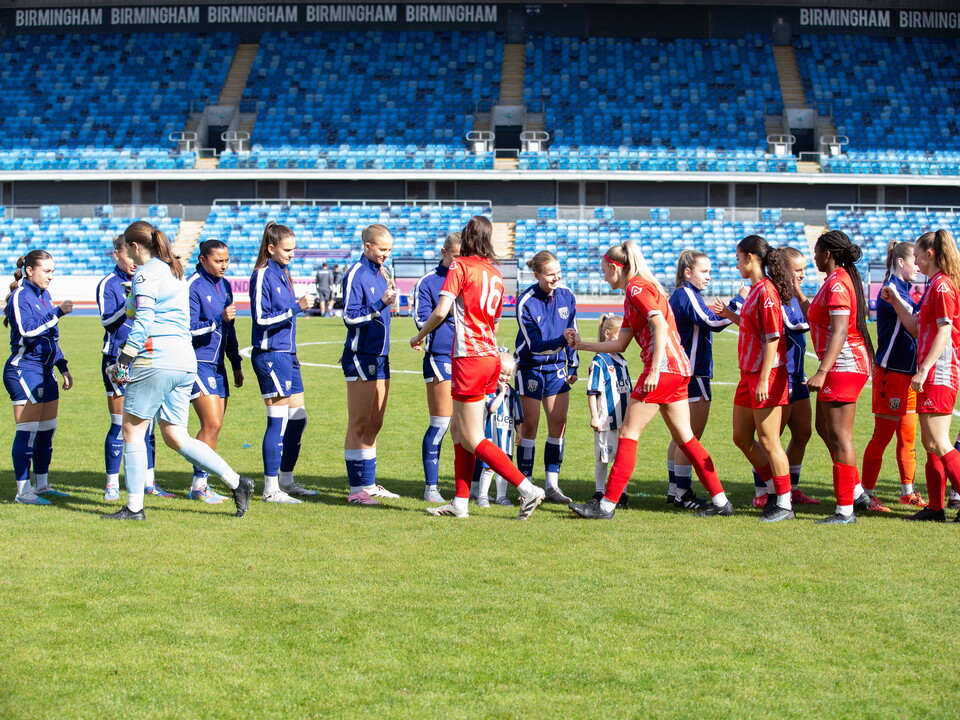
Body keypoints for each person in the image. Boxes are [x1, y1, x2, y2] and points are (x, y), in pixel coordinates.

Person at [566, 240, 732, 519]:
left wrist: (654, 370)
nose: (603, 277)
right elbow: (620, 344)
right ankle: (721, 500)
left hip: (663, 370)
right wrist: (581, 345)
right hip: (679, 370)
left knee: (628, 434)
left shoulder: (636, 287)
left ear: (617, 268)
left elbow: (659, 323)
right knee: (686, 438)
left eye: (604, 270)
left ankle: (606, 506)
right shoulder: (637, 290)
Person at [100, 221, 254, 520]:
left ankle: (134, 507)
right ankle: (237, 482)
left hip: (155, 357)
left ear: (134, 246)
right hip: (184, 360)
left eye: (127, 248)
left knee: (132, 430)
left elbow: (142, 319)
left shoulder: (145, 273)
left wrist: (126, 357)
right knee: (174, 435)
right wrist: (132, 295)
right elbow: (143, 309)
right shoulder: (174, 270)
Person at [410, 215, 546, 520]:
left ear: (467, 238)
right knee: (459, 430)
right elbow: (495, 321)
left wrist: (419, 336)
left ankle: (527, 489)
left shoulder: (460, 266)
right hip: (489, 356)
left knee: (472, 437)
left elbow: (441, 311)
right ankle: (460, 502)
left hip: (468, 359)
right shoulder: (495, 273)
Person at [714, 235, 795, 521]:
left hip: (766, 375)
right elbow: (754, 328)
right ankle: (774, 491)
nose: (737, 265)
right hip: (748, 374)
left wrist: (763, 380)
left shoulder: (767, 292)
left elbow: (773, 338)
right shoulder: (756, 290)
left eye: (738, 259)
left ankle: (784, 504)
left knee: (769, 440)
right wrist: (729, 314)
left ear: (750, 258)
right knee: (741, 437)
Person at [882, 229, 960, 522]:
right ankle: (936, 508)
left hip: (940, 371)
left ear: (930, 254)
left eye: (916, 254)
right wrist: (896, 302)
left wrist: (925, 368)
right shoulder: (934, 284)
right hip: (932, 371)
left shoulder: (942, 286)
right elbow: (916, 327)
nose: (914, 260)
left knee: (939, 443)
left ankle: (940, 505)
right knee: (930, 445)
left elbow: (945, 330)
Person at [802, 229, 874, 525]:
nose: (814, 258)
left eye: (816, 253)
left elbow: (841, 330)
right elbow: (817, 316)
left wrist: (822, 371)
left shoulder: (838, 283)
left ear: (827, 254)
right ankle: (855, 492)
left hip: (844, 365)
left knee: (841, 436)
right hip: (840, 364)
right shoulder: (835, 279)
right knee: (824, 427)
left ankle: (845, 510)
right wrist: (796, 291)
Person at [249, 222, 314, 504]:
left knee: (298, 419)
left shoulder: (284, 273)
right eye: (287, 250)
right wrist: (297, 308)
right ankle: (270, 488)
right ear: (271, 248)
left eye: (294, 249)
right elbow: (261, 320)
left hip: (288, 354)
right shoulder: (262, 274)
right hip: (271, 354)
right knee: (277, 421)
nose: (292, 254)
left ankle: (286, 480)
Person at [3, 250, 73, 504]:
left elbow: (51, 338)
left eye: (52, 271)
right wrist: (57, 313)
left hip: (45, 371)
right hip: (24, 370)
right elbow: (27, 331)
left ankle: (41, 486)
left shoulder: (44, 295)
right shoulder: (20, 295)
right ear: (30, 271)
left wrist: (62, 366)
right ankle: (23, 492)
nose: (50, 276)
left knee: (46, 431)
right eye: (46, 271)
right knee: (28, 432)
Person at [861, 240, 926, 510]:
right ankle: (866, 494)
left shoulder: (904, 290)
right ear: (901, 262)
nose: (918, 267)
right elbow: (916, 323)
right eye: (914, 261)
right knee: (882, 436)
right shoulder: (891, 290)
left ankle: (907, 492)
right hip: (892, 374)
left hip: (908, 375)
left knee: (908, 437)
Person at [96, 236, 161, 502]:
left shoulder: (147, 279)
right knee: (120, 424)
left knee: (148, 424)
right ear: (117, 255)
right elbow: (107, 322)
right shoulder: (109, 284)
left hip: (146, 358)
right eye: (128, 256)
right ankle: (112, 483)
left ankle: (149, 483)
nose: (133, 262)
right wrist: (129, 302)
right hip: (117, 359)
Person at [341, 224, 401, 504]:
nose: (386, 254)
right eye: (382, 249)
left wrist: (387, 302)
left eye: (389, 249)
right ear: (367, 246)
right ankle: (356, 490)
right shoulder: (356, 273)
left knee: (375, 422)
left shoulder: (381, 272)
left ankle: (369, 484)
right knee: (359, 423)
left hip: (381, 356)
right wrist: (380, 304)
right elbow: (350, 317)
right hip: (361, 355)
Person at [667, 249, 731, 509]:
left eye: (709, 272)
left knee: (680, 435)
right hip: (694, 373)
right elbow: (711, 321)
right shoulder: (686, 294)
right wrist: (738, 304)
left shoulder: (684, 294)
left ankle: (675, 490)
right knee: (690, 437)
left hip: (684, 372)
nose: (708, 276)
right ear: (687, 272)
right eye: (704, 271)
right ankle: (682, 494)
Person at [514, 250, 579, 503]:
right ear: (537, 275)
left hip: (557, 369)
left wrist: (573, 364)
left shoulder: (567, 295)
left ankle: (552, 486)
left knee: (558, 423)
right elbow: (535, 346)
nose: (556, 278)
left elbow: (572, 332)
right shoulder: (525, 302)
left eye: (559, 273)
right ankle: (526, 488)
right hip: (531, 367)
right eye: (551, 274)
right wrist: (562, 341)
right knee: (530, 426)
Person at [187, 239, 244, 504]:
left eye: (226, 260)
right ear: (202, 260)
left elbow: (230, 330)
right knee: (212, 423)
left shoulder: (225, 285)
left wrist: (236, 363)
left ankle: (202, 484)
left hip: (218, 365)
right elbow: (188, 328)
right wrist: (217, 319)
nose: (224, 265)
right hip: (197, 361)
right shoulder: (192, 286)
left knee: (215, 426)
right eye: (218, 261)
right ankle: (198, 486)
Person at [413, 232, 461, 503]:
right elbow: (421, 322)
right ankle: (431, 487)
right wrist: (449, 310)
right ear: (444, 252)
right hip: (440, 357)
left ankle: (470, 486)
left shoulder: (468, 276)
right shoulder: (428, 282)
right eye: (456, 256)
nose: (459, 261)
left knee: (468, 428)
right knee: (441, 423)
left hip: (467, 358)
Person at [586, 313, 632, 504]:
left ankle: (621, 493)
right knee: (603, 456)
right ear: (608, 334)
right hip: (606, 419)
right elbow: (592, 391)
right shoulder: (599, 361)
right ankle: (599, 491)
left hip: (624, 419)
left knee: (622, 457)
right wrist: (594, 416)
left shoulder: (621, 360)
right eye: (620, 335)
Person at [471, 350, 524, 508]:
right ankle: (482, 496)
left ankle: (501, 496)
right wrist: (501, 393)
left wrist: (519, 432)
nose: (505, 378)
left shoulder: (513, 394)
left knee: (504, 467)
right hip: (491, 437)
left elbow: (518, 416)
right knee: (488, 468)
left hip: (506, 439)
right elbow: (492, 408)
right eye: (502, 373)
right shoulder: (490, 390)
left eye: (508, 375)